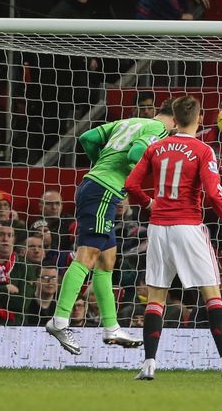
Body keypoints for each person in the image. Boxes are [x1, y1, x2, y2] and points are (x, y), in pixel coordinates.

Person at [124, 95, 222, 381]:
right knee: (211, 295)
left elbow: (131, 183)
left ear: (174, 119)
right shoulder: (203, 151)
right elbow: (214, 194)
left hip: (158, 228)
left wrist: (148, 202)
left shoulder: (156, 148)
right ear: (200, 119)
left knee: (156, 296)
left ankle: (149, 364)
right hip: (189, 227)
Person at [45, 99, 178, 355]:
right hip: (103, 191)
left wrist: (101, 165)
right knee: (87, 257)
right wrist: (145, 170)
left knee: (107, 261)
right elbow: (136, 154)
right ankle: (59, 320)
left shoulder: (129, 122)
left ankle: (111, 327)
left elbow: (87, 138)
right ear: (173, 120)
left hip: (98, 187)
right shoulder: (157, 131)